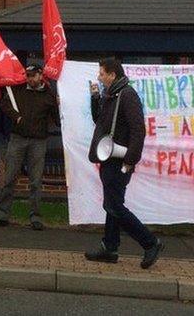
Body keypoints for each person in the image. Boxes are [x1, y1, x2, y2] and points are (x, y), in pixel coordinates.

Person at [84, 57, 163, 269]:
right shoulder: (112, 95)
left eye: (102, 73)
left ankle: (150, 242)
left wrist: (130, 160)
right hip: (109, 158)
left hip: (120, 161)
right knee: (112, 204)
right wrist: (95, 98)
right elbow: (99, 121)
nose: (99, 77)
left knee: (114, 205)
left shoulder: (127, 95)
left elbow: (139, 130)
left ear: (112, 74)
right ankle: (109, 248)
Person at [0, 64, 59, 231]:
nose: (30, 79)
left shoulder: (49, 95)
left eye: (33, 75)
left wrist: (58, 105)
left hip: (38, 141)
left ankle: (35, 217)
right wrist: (16, 117)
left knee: (35, 180)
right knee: (9, 177)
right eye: (28, 75)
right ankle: (2, 214)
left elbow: (57, 120)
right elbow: (4, 104)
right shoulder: (18, 90)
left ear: (41, 75)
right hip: (18, 138)